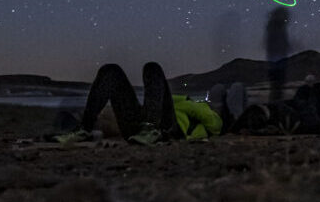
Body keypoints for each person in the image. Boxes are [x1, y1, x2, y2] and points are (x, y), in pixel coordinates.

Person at [54, 62, 221, 144]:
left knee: (152, 67)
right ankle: (85, 128)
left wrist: (208, 111)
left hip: (166, 129)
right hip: (137, 129)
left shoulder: (201, 109)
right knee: (110, 70)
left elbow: (216, 126)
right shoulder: (188, 102)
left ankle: (151, 129)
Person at [265, 6, 290, 103]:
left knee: (276, 90)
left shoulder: (273, 27)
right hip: (278, 63)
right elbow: (279, 45)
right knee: (276, 89)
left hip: (277, 63)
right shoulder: (276, 27)